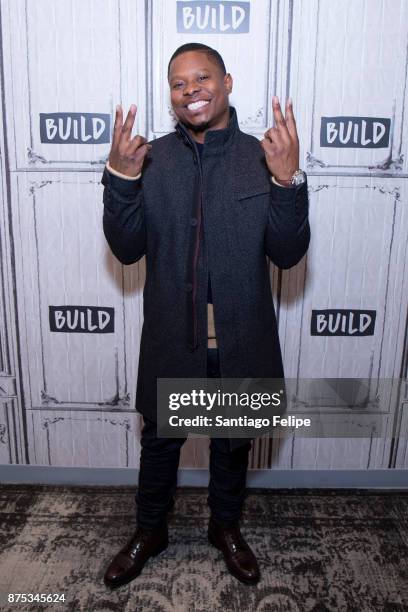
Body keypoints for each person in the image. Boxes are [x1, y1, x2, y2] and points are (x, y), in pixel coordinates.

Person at [101, 42, 310, 588]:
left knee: (231, 442)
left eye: (202, 77)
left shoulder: (260, 156)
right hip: (175, 337)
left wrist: (287, 180)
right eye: (178, 82)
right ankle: (151, 530)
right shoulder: (153, 159)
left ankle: (226, 528)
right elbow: (126, 249)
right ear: (170, 96)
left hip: (241, 340)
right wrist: (121, 180)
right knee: (160, 445)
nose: (191, 89)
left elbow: (288, 253)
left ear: (228, 81)